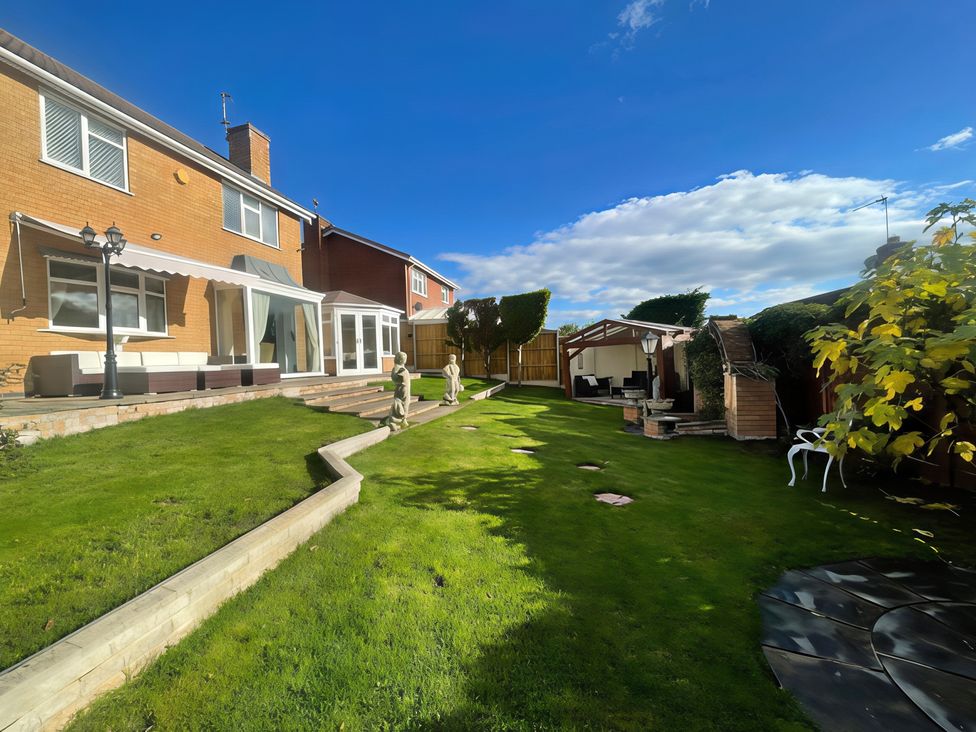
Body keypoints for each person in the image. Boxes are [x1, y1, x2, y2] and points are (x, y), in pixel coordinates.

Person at [381, 351, 411, 431]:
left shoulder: (398, 368)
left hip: (403, 388)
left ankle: (401, 419)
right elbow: (397, 378)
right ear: (401, 360)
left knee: (404, 402)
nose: (405, 360)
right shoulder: (399, 369)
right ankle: (399, 420)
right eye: (404, 358)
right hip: (402, 389)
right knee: (402, 403)